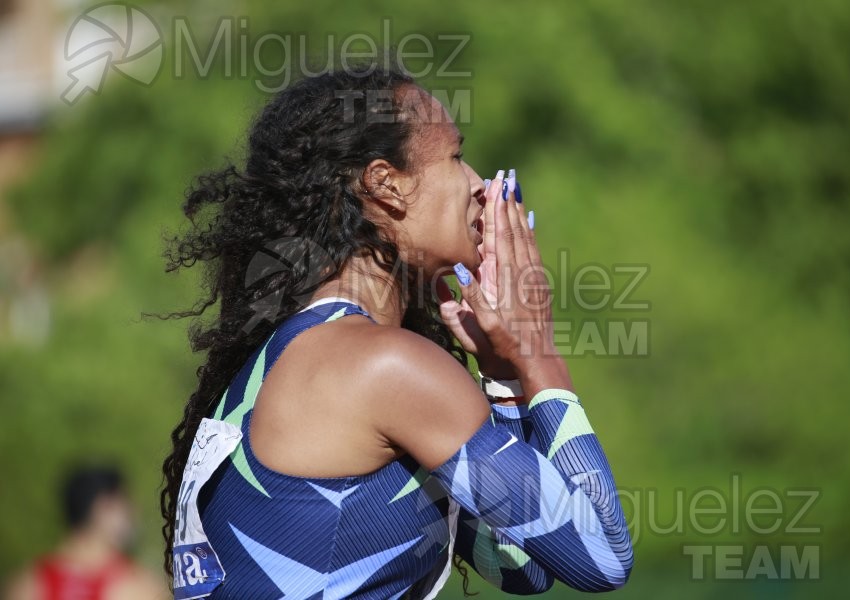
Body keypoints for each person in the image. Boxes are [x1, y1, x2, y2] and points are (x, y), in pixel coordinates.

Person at [159, 63, 634, 599]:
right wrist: (538, 354)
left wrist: (503, 378)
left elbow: (521, 565)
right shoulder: (383, 368)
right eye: (456, 157)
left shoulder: (301, 350)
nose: (480, 184)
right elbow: (601, 554)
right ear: (386, 184)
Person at [4, 465, 166, 600]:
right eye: (126, 504)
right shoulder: (137, 588)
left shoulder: (26, 585)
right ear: (105, 506)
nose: (135, 512)